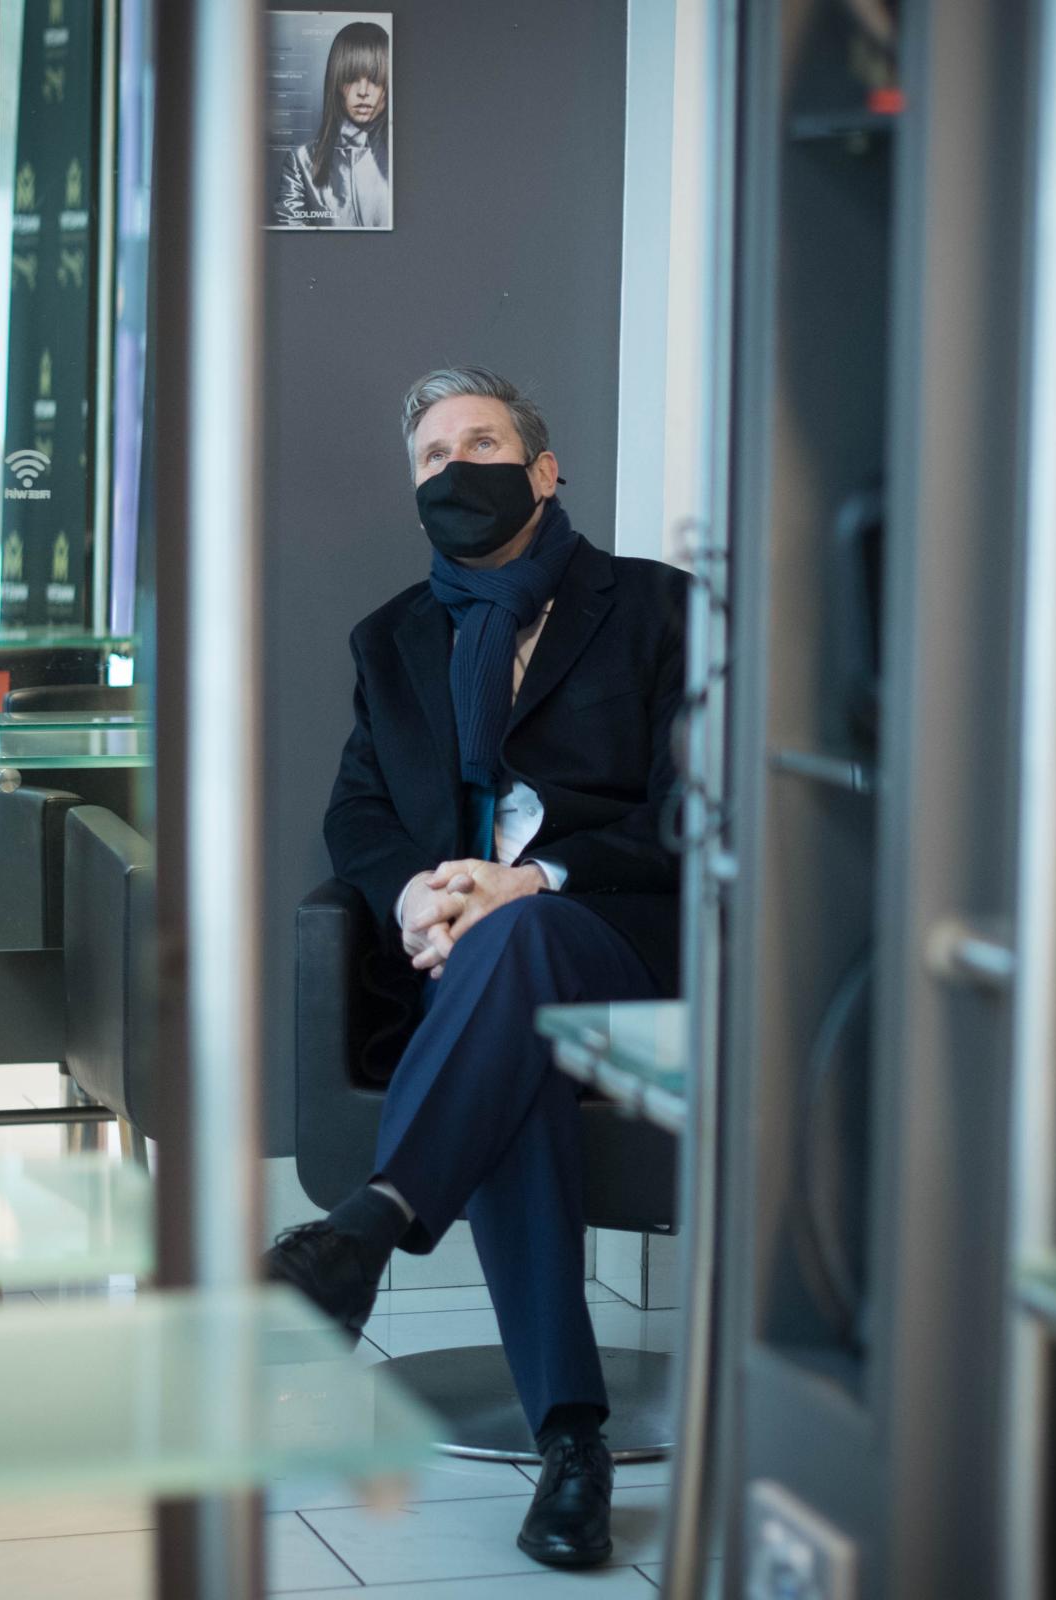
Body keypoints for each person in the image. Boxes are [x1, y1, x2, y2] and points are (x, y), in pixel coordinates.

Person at [270, 367, 686, 1569]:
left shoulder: (660, 611)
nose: (458, 468)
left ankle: (369, 1225)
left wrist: (531, 881)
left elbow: (695, 814)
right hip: (458, 968)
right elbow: (360, 812)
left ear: (544, 470)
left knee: (522, 942)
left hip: (620, 945)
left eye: (483, 443)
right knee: (513, 1038)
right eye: (433, 457)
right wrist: (413, 889)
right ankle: (574, 1447)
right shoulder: (394, 639)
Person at [271, 20, 390, 228]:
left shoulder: (405, 158)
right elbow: (291, 243)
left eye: (374, 79)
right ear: (336, 82)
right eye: (351, 78)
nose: (363, 91)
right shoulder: (302, 162)